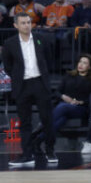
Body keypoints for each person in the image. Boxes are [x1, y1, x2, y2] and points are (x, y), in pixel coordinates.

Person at [3, 12, 56, 168]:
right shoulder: (10, 43)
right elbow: (7, 65)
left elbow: (50, 59)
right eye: (23, 23)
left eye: (28, 22)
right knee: (24, 122)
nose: (27, 25)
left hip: (40, 82)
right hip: (22, 85)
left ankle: (50, 150)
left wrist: (45, 74)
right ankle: (27, 154)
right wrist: (17, 76)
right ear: (16, 25)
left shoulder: (42, 39)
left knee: (47, 119)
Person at [52, 54, 91, 156]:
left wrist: (81, 102)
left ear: (89, 67)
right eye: (80, 62)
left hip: (83, 109)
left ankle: (43, 126)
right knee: (60, 118)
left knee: (62, 107)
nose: (81, 64)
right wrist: (63, 97)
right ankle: (38, 139)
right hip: (68, 107)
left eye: (84, 63)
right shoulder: (69, 75)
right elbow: (56, 92)